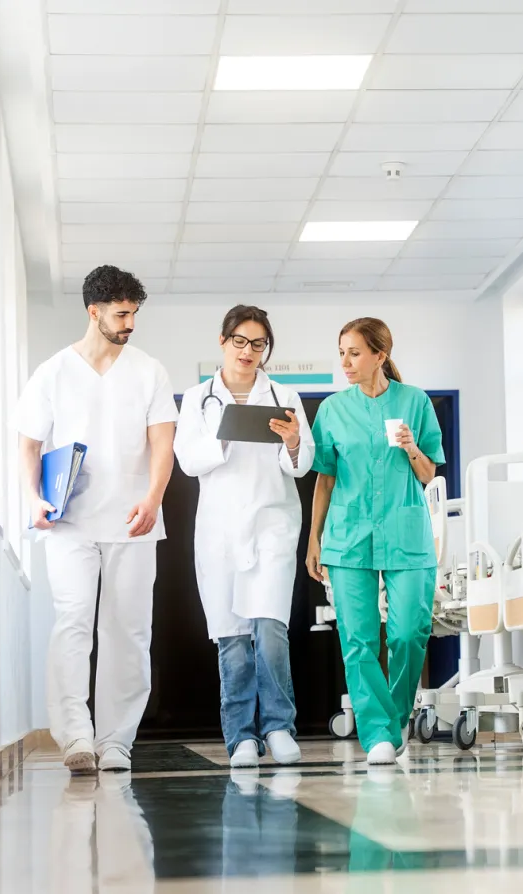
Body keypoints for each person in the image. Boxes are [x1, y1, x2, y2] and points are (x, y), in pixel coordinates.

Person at [16, 265, 177, 774]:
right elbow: (28, 443)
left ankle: (115, 740)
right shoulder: (53, 371)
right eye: (121, 313)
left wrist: (153, 498)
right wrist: (35, 498)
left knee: (128, 630)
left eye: (134, 313)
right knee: (72, 624)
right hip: (69, 523)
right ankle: (76, 737)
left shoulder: (149, 370)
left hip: (133, 521)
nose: (130, 322)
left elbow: (162, 443)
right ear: (94, 311)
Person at [174, 305, 315, 768]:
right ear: (223, 341)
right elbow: (190, 461)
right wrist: (227, 432)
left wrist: (293, 441)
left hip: (271, 524)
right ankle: (241, 738)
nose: (249, 352)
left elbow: (301, 464)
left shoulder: (283, 395)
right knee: (232, 638)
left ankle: (277, 726)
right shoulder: (198, 399)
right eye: (240, 341)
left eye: (258, 344)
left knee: (270, 629)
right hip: (219, 534)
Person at [306, 318, 445, 766]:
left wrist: (410, 447)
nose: (345, 362)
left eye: (355, 353)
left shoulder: (415, 402)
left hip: (406, 533)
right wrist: (314, 540)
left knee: (408, 632)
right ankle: (377, 733)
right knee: (358, 639)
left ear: (380, 356)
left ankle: (397, 716)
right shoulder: (331, 410)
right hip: (347, 538)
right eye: (341, 352)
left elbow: (428, 474)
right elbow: (325, 480)